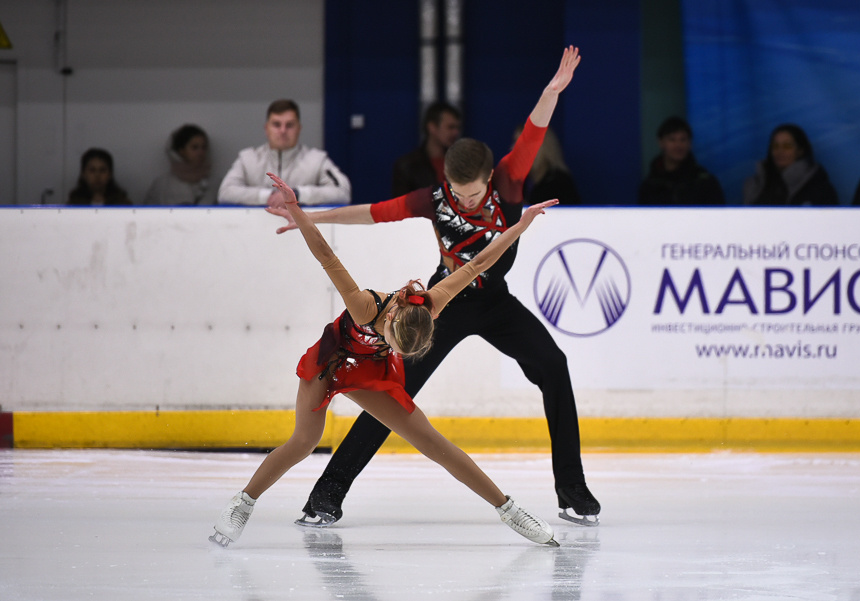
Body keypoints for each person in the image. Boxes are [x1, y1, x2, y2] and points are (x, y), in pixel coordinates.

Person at [268, 46, 601, 529]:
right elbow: (374, 212)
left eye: (471, 193)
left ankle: (572, 489)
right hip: (440, 305)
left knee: (554, 365)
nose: (462, 201)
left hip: (496, 303)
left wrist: (551, 91)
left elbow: (533, 133)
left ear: (491, 177)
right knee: (391, 395)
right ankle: (327, 493)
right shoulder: (434, 198)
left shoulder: (508, 181)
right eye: (455, 190)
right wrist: (307, 217)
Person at [209, 172, 560, 548]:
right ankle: (242, 503)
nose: (397, 350)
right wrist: (296, 209)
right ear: (389, 320)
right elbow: (326, 256)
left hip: (369, 369)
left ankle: (509, 509)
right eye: (395, 344)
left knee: (430, 441)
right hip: (331, 363)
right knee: (303, 443)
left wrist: (520, 225)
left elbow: (477, 264)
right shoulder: (363, 308)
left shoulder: (432, 305)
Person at [217, 99, 351, 207]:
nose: (283, 130)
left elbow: (342, 192)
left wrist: (296, 194)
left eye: (289, 125)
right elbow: (225, 192)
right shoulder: (247, 159)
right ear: (266, 128)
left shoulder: (317, 159)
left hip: (301, 233)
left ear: (299, 128)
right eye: (276, 124)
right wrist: (268, 196)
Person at [743, 124, 839, 206]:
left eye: (787, 146)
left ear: (800, 151)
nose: (779, 151)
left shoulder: (821, 189)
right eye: (775, 146)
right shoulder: (755, 185)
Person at [638, 116, 725, 206]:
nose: (678, 145)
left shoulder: (705, 182)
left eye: (683, 140)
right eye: (672, 140)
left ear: (690, 143)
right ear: (661, 142)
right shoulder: (650, 186)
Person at [391, 101, 462, 196]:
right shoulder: (407, 166)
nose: (455, 133)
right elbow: (400, 207)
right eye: (450, 127)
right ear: (432, 127)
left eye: (457, 128)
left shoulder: (462, 163)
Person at [143, 124, 215, 206]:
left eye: (204, 147)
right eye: (194, 148)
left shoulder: (216, 184)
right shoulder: (162, 185)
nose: (200, 153)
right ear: (181, 151)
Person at [512, 124, 582, 205]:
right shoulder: (520, 183)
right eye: (515, 143)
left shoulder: (560, 184)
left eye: (522, 144)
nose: (514, 149)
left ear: (541, 148)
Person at [67, 148, 131, 206]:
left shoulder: (122, 204)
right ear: (83, 174)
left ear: (110, 174)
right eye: (92, 170)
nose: (97, 175)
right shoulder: (74, 204)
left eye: (102, 170)